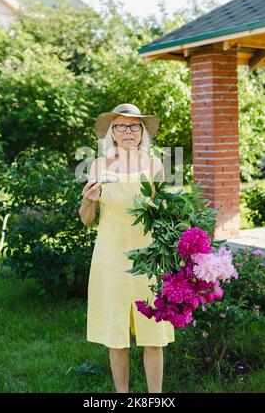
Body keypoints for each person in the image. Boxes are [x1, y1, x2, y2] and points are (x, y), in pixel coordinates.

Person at [79, 103, 175, 393]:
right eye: (121, 126)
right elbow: (86, 220)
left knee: (153, 334)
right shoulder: (98, 166)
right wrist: (87, 199)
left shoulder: (155, 166)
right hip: (110, 257)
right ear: (113, 133)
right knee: (116, 334)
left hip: (148, 258)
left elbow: (165, 216)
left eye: (134, 126)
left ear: (142, 132)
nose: (128, 131)